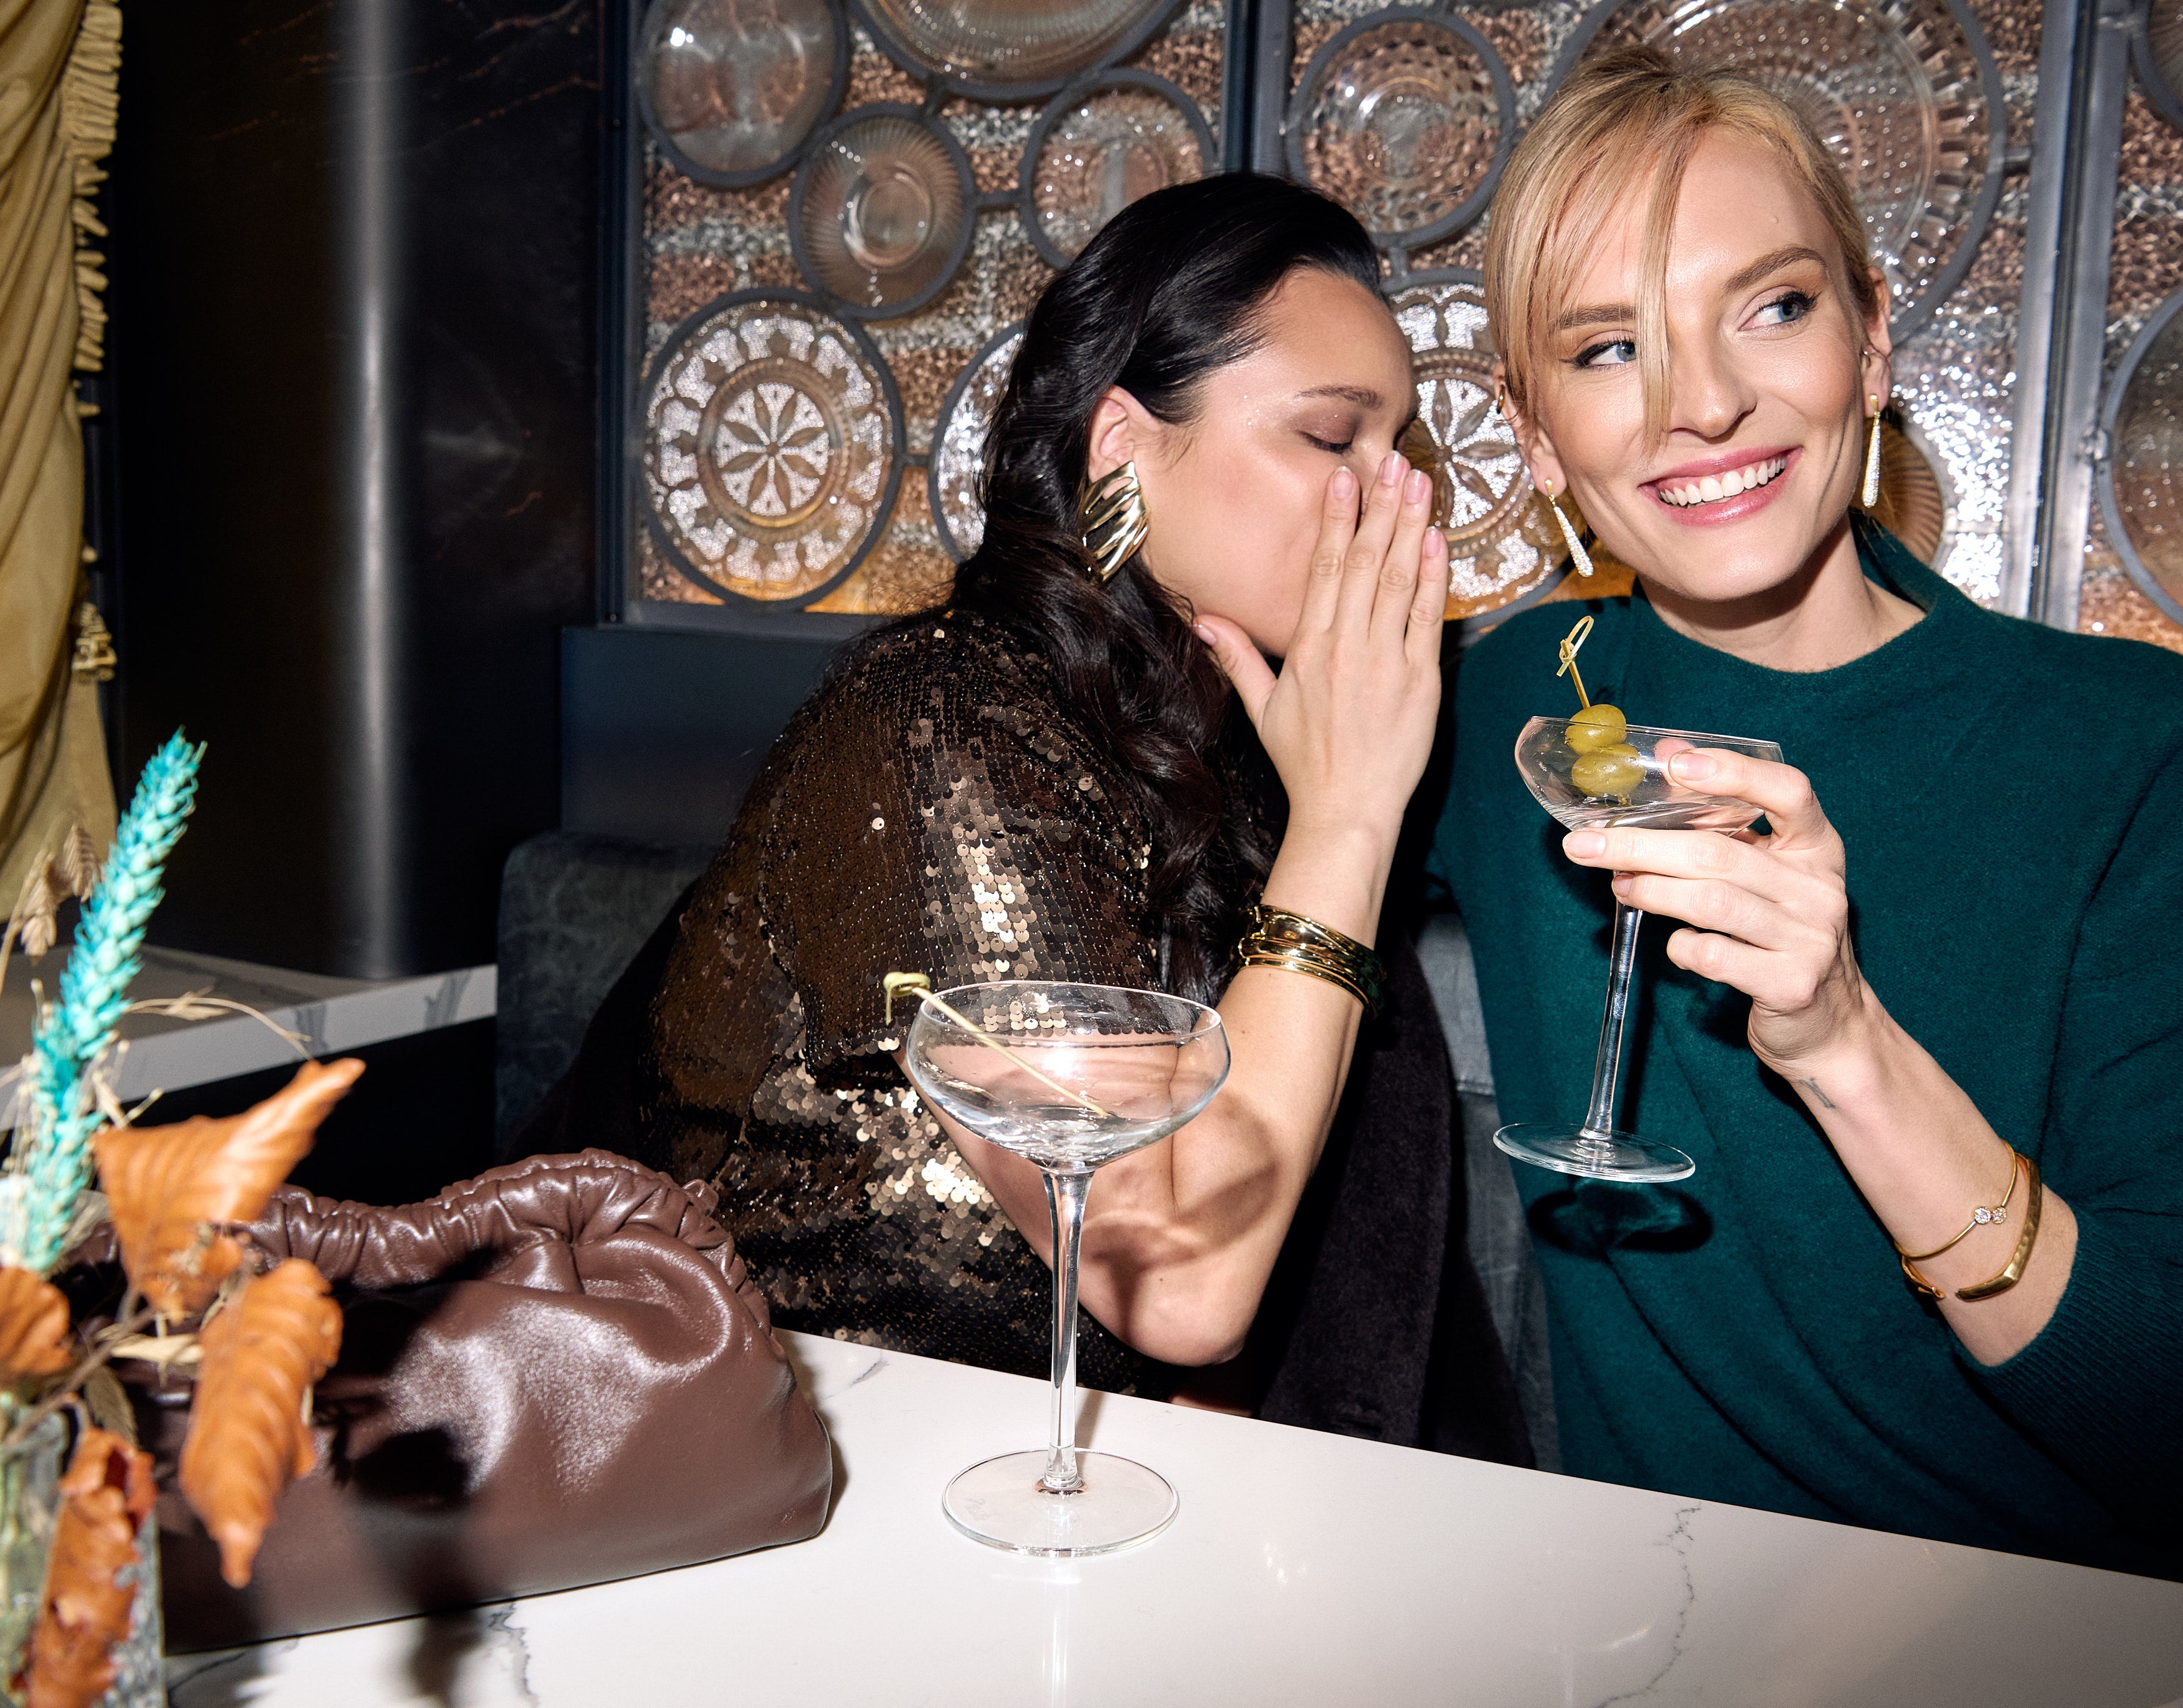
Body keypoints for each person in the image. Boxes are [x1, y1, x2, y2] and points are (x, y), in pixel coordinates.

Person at [1433, 48, 2183, 1560]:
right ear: (1531, 432)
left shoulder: (2149, 756)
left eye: (1772, 306)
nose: (1703, 403)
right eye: (1608, 348)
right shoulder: (1497, 707)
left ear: (1875, 341)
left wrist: (1842, 1042)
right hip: (1631, 1623)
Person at [525, 174, 1527, 1462]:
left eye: (1409, 457)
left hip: (1033, 1485)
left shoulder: (1245, 753)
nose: (1401, 501)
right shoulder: (941, 714)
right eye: (1336, 440)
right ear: (1122, 447)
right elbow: (1178, 1287)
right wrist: (1349, 818)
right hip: (730, 1474)